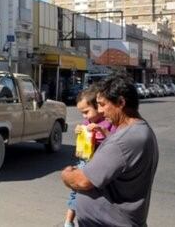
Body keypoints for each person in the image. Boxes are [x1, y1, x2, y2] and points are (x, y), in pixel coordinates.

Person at [61, 73, 159, 227]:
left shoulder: (125, 140)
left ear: (120, 102)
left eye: (103, 104)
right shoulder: (136, 131)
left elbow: (82, 181)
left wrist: (67, 173)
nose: (100, 110)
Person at [63, 85, 116, 227]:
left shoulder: (109, 123)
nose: (84, 117)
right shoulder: (87, 122)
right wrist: (79, 132)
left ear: (98, 107)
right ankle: (68, 221)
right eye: (82, 113)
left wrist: (103, 131)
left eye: (86, 112)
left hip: (100, 164)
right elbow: (83, 143)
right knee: (76, 190)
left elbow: (116, 143)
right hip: (85, 161)